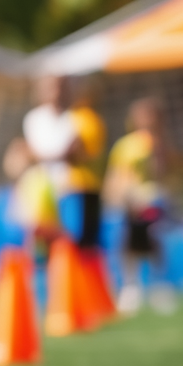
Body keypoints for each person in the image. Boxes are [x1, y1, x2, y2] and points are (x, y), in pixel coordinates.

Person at [103, 97, 176, 315]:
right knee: (128, 243)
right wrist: (121, 196)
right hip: (131, 201)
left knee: (155, 241)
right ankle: (130, 286)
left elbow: (164, 173)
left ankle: (159, 285)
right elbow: (116, 175)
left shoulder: (160, 144)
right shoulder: (126, 145)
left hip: (153, 200)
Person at [64, 76, 108, 249]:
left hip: (85, 184)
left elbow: (86, 153)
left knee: (84, 237)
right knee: (81, 236)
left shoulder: (88, 119)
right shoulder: (80, 119)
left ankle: (81, 275)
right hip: (79, 184)